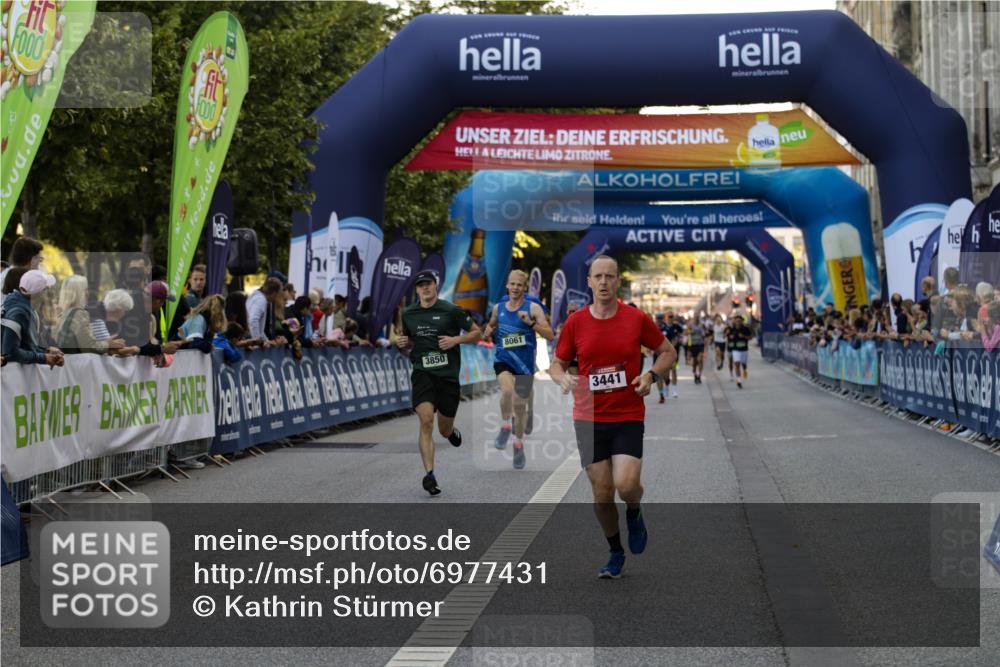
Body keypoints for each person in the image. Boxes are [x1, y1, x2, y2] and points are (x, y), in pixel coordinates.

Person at [549, 256, 676, 579]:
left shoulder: (636, 319)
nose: (604, 282)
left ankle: (634, 511)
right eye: (598, 277)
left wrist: (651, 377)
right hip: (588, 417)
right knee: (603, 492)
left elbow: (668, 351)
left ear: (617, 281)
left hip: (628, 413)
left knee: (627, 484)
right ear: (589, 282)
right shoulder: (576, 322)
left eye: (609, 276)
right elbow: (558, 362)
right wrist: (561, 377)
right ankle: (615, 551)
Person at [396, 270, 482, 495]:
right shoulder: (408, 313)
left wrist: (456, 339)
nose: (425, 288)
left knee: (443, 429)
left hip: (447, 377)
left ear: (436, 286)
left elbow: (477, 333)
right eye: (421, 285)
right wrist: (402, 342)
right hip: (423, 374)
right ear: (416, 289)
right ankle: (430, 475)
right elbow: (406, 341)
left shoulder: (451, 310)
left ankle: (451, 431)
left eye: (429, 284)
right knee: (426, 421)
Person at [481, 270, 554, 469]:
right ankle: (506, 425)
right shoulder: (499, 308)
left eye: (519, 285)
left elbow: (550, 334)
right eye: (512, 284)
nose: (515, 288)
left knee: (520, 407)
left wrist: (530, 323)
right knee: (506, 390)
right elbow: (491, 326)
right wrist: (487, 332)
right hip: (503, 359)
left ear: (525, 288)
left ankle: (518, 443)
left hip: (524, 364)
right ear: (507, 285)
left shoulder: (533, 308)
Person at [0, 269, 64, 367]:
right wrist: (44, 358)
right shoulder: (18, 312)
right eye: (47, 288)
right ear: (40, 293)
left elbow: (25, 346)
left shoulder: (24, 307)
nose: (50, 292)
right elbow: (10, 353)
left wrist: (46, 351)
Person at [54, 275, 126, 354]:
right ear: (78, 293)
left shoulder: (63, 313)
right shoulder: (79, 313)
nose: (88, 293)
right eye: (85, 290)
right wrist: (108, 344)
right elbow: (88, 346)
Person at [0, 237, 44, 307]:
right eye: (39, 259)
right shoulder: (17, 280)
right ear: (31, 260)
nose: (40, 263)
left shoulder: (7, 275)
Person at [246, 277, 285, 344]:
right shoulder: (261, 300)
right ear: (274, 293)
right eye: (278, 294)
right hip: (252, 343)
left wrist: (267, 341)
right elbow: (253, 320)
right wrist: (258, 342)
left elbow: (260, 330)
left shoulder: (257, 296)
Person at [729, 314, 753, 389]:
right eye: (736, 321)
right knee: (737, 364)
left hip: (744, 349)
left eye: (739, 321)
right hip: (735, 350)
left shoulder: (745, 329)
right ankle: (739, 381)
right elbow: (728, 336)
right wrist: (730, 337)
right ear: (735, 322)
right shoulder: (732, 329)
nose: (738, 323)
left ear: (742, 321)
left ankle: (745, 369)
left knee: (743, 364)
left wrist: (744, 336)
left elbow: (750, 337)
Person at [684, 314, 706, 384]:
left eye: (697, 317)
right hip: (693, 345)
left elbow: (704, 334)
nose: (696, 319)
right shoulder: (690, 325)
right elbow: (685, 333)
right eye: (695, 317)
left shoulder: (702, 325)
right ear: (693, 318)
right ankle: (695, 375)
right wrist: (690, 332)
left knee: (700, 360)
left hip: (700, 344)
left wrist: (704, 334)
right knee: (694, 362)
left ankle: (699, 375)